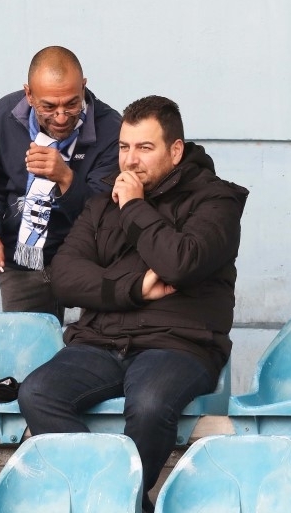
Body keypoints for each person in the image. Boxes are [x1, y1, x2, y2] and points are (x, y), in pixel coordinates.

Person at [17, 96, 249, 512]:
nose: (130, 160)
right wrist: (135, 288)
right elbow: (65, 276)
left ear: (175, 151)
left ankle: (106, 503)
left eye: (145, 147)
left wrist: (136, 206)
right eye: (124, 147)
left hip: (179, 344)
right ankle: (121, 503)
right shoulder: (102, 200)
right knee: (38, 392)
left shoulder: (216, 201)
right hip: (101, 341)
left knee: (149, 404)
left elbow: (180, 263)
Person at [0, 46, 121, 323]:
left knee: (95, 344)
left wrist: (66, 178)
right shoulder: (4, 115)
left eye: (72, 104)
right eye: (48, 107)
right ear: (29, 95)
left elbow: (106, 213)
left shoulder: (111, 128)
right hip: (22, 260)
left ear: (83, 87)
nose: (61, 117)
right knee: (28, 346)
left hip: (90, 260)